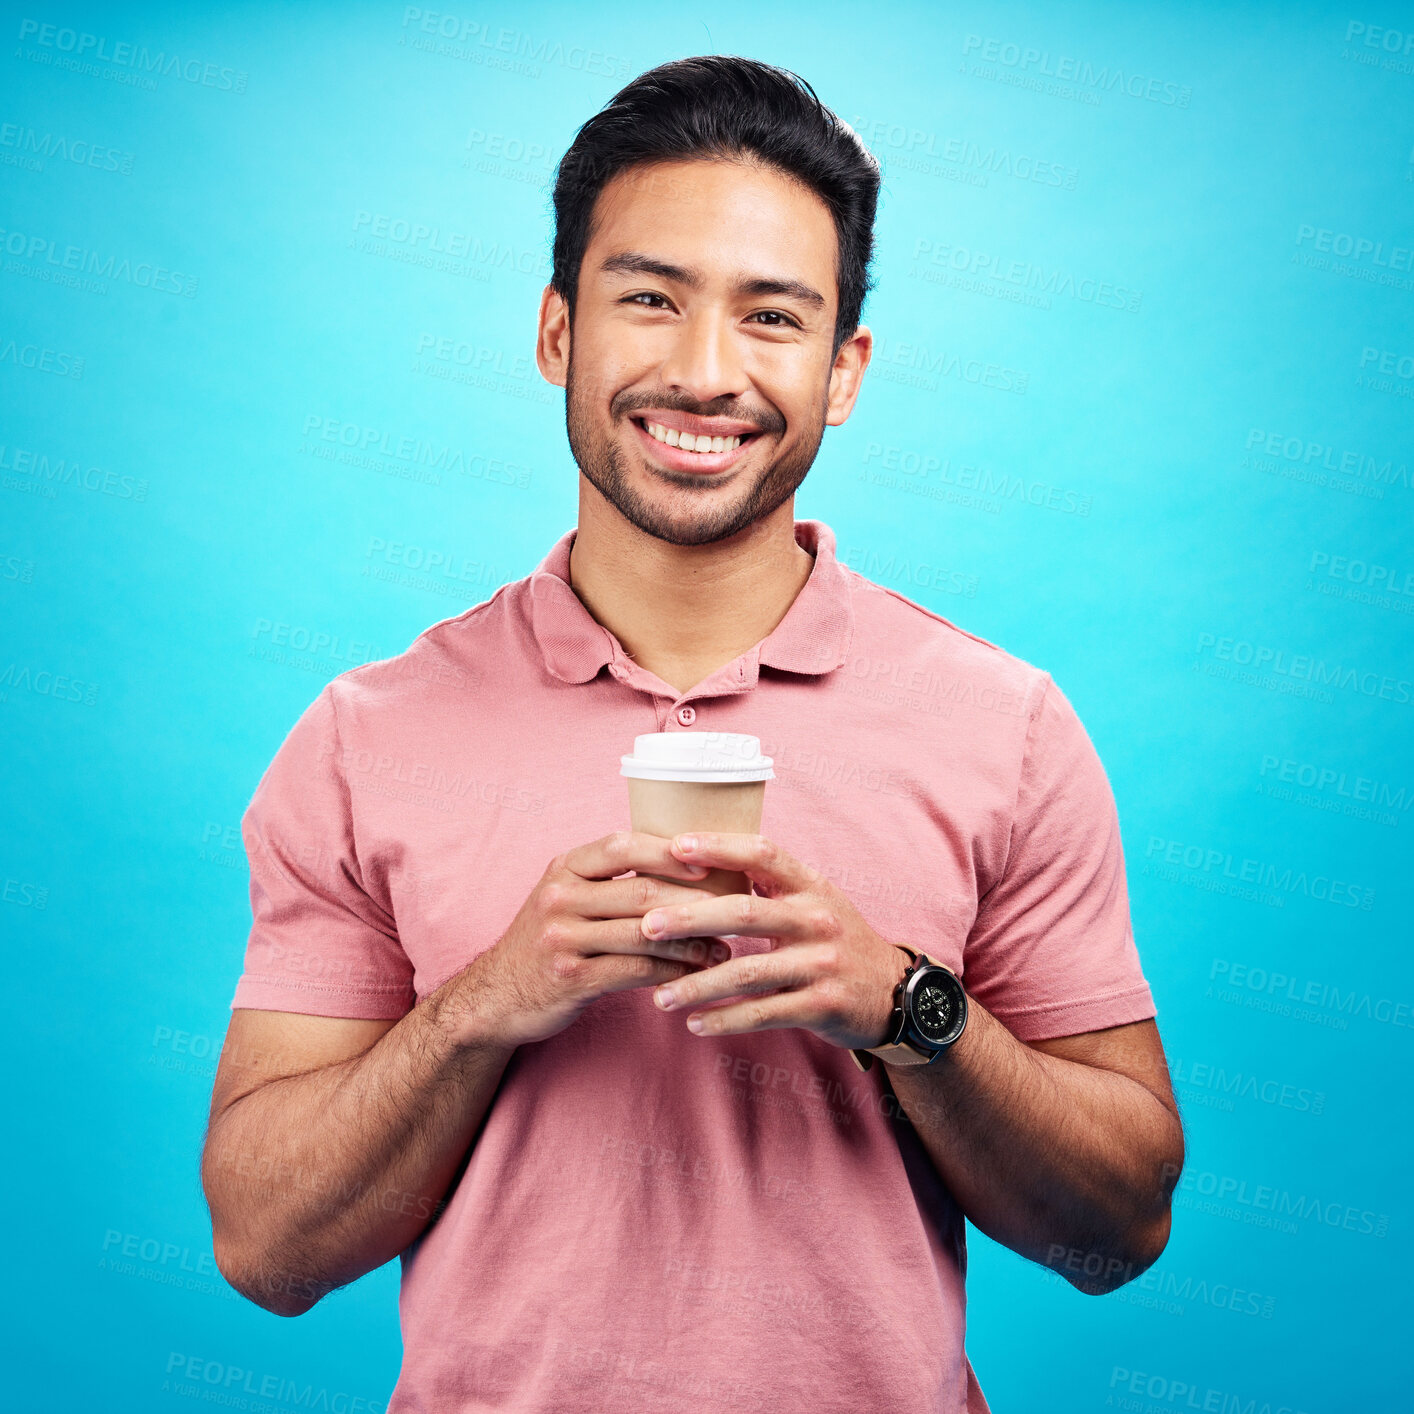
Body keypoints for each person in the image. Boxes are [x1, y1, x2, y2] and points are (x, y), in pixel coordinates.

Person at [202, 55, 1184, 1413]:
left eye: (771, 316)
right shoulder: (367, 734)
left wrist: (907, 1009)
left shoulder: (1004, 725)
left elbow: (1115, 1232)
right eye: (649, 299)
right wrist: (484, 1003)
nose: (703, 371)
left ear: (843, 371)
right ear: (557, 332)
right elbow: (267, 1250)